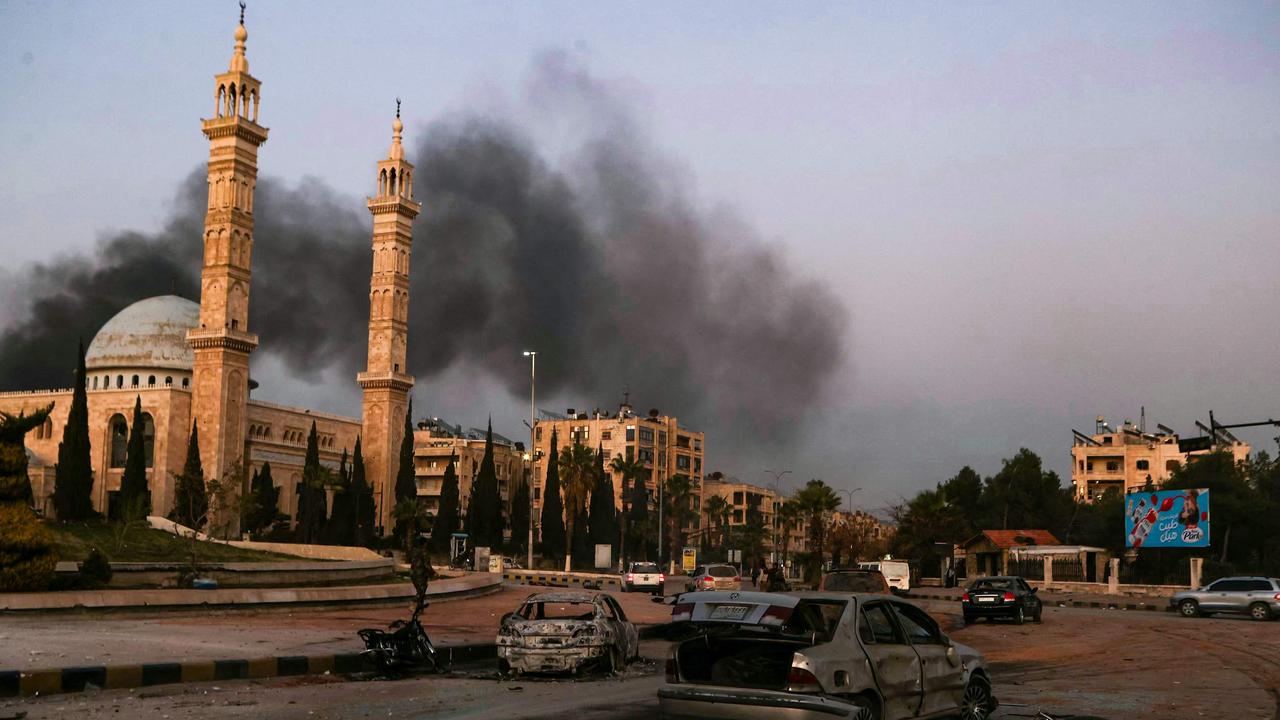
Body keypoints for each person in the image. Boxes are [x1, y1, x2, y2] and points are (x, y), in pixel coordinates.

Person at [408, 534, 437, 619]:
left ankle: (419, 609)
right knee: (421, 591)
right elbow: (426, 565)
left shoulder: (414, 551)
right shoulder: (424, 552)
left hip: (413, 573)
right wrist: (433, 573)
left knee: (420, 590)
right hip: (421, 574)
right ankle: (413, 603)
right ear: (424, 544)